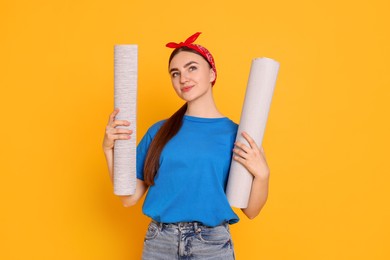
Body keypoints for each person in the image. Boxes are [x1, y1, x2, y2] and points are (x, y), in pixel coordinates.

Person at [102, 32, 270, 259]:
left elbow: (251, 210)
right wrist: (108, 150)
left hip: (211, 245)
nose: (183, 78)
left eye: (192, 68)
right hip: (159, 243)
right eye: (175, 73)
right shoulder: (159, 131)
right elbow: (128, 198)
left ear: (212, 73)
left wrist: (263, 175)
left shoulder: (236, 134)